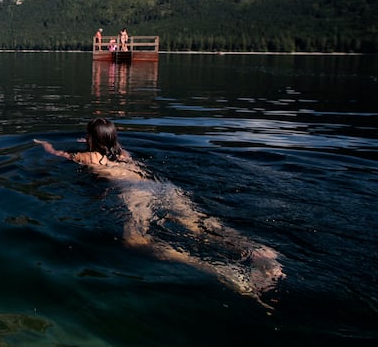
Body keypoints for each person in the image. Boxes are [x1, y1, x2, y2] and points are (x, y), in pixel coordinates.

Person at [34, 118, 284, 307]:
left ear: (91, 139)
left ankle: (220, 269)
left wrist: (46, 145)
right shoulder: (122, 154)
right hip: (163, 186)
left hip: (136, 193)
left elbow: (59, 154)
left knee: (135, 240)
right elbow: (109, 148)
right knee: (200, 224)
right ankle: (257, 249)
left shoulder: (87, 157)